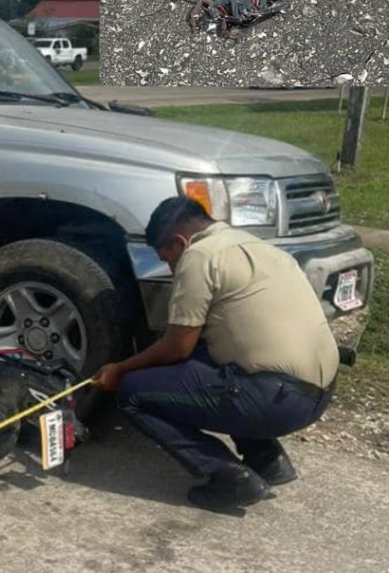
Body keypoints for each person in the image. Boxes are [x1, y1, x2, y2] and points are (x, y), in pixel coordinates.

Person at [92, 196, 339, 513]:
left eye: (168, 260)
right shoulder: (258, 246)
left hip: (275, 400)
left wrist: (121, 369)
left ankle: (230, 479)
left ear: (180, 242)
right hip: (319, 391)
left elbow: (177, 347)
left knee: (133, 392)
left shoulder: (199, 256)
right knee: (219, 361)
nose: (171, 268)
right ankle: (269, 461)